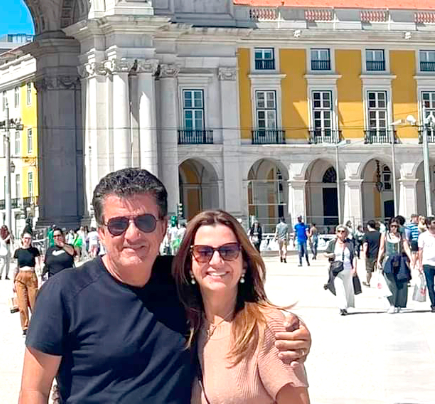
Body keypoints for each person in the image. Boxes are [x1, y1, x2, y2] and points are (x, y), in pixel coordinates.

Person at [19, 168, 311, 403]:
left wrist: (291, 331)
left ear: (162, 227)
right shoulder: (64, 293)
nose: (132, 235)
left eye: (145, 221)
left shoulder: (184, 279)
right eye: (119, 224)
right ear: (102, 233)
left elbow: (235, 299)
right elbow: (34, 391)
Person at [174, 210, 309, 403]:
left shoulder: (269, 328)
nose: (216, 261)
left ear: (244, 262)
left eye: (228, 251)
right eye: (203, 252)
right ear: (189, 265)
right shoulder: (187, 328)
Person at [377, 217, 413, 313]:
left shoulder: (402, 235)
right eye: (392, 226)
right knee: (390, 282)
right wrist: (378, 261)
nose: (394, 228)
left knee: (401, 281)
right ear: (389, 226)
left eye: (396, 226)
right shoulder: (385, 235)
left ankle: (399, 304)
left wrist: (411, 259)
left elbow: (406, 247)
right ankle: (391, 304)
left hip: (399, 259)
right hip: (388, 259)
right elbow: (381, 248)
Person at [13, 232, 41, 336]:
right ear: (22, 239)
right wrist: (13, 282)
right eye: (25, 238)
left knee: (34, 303)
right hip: (20, 276)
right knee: (22, 304)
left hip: (31, 275)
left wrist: (40, 278)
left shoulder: (34, 251)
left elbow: (38, 265)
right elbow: (15, 267)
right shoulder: (18, 251)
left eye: (29, 238)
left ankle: (35, 325)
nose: (27, 240)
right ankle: (25, 327)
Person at [325, 225, 357, 316]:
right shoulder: (332, 243)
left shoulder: (350, 243)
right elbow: (325, 253)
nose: (341, 233)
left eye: (343, 231)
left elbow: (354, 256)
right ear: (336, 232)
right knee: (339, 288)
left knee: (347, 289)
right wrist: (330, 255)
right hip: (336, 269)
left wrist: (355, 268)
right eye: (339, 231)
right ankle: (342, 307)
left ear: (346, 233)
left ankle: (345, 306)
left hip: (347, 268)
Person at [415, 216, 435, 312]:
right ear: (428, 225)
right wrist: (420, 264)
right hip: (427, 263)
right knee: (430, 285)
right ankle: (434, 304)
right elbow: (420, 251)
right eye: (434, 223)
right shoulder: (423, 236)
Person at [361, 220, 381, 286]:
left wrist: (364, 253)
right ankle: (380, 282)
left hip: (369, 255)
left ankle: (368, 282)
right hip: (378, 254)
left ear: (368, 226)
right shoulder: (379, 234)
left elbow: (365, 245)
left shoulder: (366, 235)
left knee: (369, 270)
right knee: (379, 270)